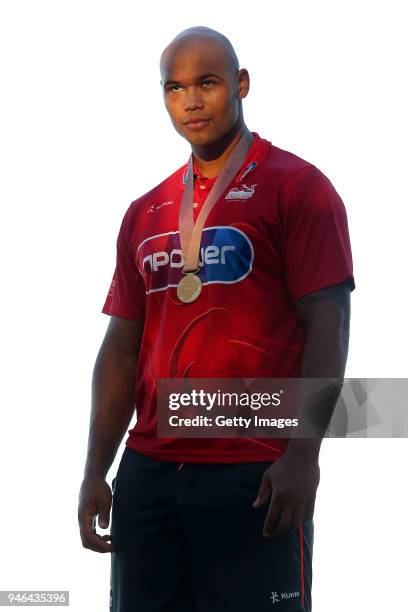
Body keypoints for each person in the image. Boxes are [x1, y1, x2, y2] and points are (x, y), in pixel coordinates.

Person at [78, 25, 355, 612]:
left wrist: (303, 456)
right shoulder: (144, 211)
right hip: (149, 474)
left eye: (207, 82)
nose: (192, 101)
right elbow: (122, 348)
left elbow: (328, 329)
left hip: (254, 472)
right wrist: (95, 470)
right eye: (174, 88)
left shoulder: (299, 188)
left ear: (241, 84)